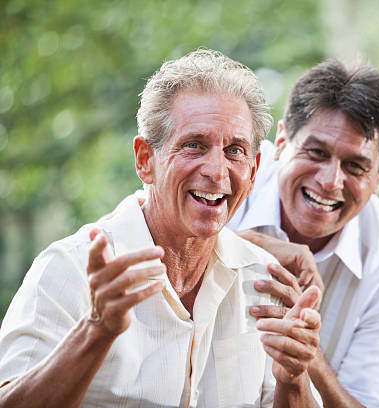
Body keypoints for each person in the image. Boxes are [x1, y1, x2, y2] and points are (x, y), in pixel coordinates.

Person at [0, 49, 322, 407]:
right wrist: (96, 330)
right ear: (144, 160)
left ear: (253, 169)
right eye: (194, 145)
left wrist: (293, 380)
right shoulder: (69, 269)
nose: (217, 170)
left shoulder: (265, 280)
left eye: (234, 151)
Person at [227, 59, 379, 407]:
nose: (329, 181)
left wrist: (310, 359)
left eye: (355, 166)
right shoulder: (226, 172)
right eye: (316, 152)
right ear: (280, 142)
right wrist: (244, 246)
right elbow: (139, 238)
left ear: (378, 179)